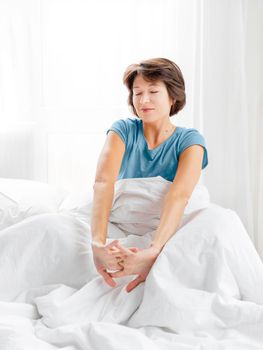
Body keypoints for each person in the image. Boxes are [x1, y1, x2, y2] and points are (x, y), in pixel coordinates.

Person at [90, 58, 208, 293]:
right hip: (121, 217)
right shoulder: (122, 130)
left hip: (162, 224)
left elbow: (179, 196)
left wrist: (154, 251)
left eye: (153, 91)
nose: (143, 100)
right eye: (137, 93)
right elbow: (103, 184)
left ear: (172, 96)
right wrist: (97, 244)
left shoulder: (191, 142)